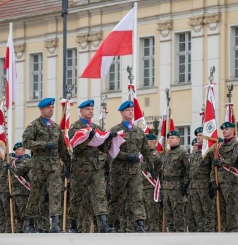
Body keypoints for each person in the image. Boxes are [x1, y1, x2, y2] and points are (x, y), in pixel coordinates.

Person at [22, 97, 70, 233]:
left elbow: (62, 148)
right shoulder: (34, 125)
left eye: (52, 107)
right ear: (41, 109)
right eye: (48, 107)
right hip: (39, 166)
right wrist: (43, 145)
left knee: (55, 193)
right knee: (35, 194)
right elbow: (26, 142)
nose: (51, 109)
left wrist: (68, 163)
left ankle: (55, 224)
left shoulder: (55, 127)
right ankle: (30, 224)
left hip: (54, 166)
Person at [67, 99, 114, 233]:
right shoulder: (75, 127)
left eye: (92, 109)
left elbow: (104, 148)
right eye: (88, 109)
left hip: (95, 166)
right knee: (77, 196)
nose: (91, 111)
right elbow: (76, 147)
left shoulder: (96, 127)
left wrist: (110, 138)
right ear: (81, 111)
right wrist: (89, 136)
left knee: (100, 194)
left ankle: (104, 224)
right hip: (80, 167)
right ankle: (73, 225)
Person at [106, 100, 152, 232]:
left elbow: (146, 150)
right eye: (128, 110)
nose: (131, 112)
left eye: (132, 110)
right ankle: (110, 223)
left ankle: (140, 224)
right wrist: (125, 156)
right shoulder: (115, 130)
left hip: (135, 170)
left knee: (137, 196)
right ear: (121, 112)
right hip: (119, 171)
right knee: (116, 197)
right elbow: (110, 150)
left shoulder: (138, 131)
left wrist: (151, 166)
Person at [155, 130, 190, 232]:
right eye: (169, 138)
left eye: (173, 138)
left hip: (177, 188)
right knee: (168, 214)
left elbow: (189, 169)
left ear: (178, 139)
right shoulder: (166, 154)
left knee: (178, 214)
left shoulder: (183, 152)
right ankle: (171, 235)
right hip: (166, 188)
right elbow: (163, 172)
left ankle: (181, 235)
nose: (170, 139)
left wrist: (185, 183)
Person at [211, 122, 238, 232]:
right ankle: (223, 231)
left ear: (233, 131)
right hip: (220, 182)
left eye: (227, 129)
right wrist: (213, 180)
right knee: (221, 209)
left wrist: (220, 162)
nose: (224, 131)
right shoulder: (219, 146)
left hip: (231, 182)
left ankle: (233, 232)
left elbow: (234, 160)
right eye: (223, 129)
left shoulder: (236, 145)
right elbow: (213, 166)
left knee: (231, 209)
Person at [189, 127, 215, 232]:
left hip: (204, 184)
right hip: (194, 185)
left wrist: (212, 181)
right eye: (197, 136)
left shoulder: (209, 150)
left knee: (207, 211)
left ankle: (209, 232)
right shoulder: (195, 152)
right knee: (197, 212)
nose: (198, 137)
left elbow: (213, 167)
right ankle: (200, 233)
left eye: (200, 135)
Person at [142, 133, 162, 232]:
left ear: (154, 142)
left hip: (151, 187)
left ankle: (153, 232)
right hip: (141, 187)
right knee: (144, 213)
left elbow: (147, 166)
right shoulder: (142, 155)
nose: (146, 143)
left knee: (152, 213)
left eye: (149, 141)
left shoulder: (155, 155)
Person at [9, 143, 31, 233]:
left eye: (19, 149)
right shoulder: (14, 162)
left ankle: (26, 230)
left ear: (24, 150)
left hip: (23, 192)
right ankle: (19, 231)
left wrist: (10, 167)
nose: (17, 151)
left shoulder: (26, 161)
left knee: (24, 214)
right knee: (17, 215)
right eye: (15, 150)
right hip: (15, 192)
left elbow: (19, 171)